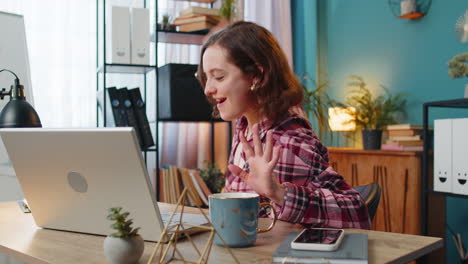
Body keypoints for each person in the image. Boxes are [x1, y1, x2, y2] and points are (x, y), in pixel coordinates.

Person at [196, 21, 370, 229]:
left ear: (257, 76)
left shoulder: (288, 140)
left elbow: (357, 211)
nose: (207, 89)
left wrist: (278, 193)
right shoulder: (245, 127)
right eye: (206, 78)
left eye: (219, 77)